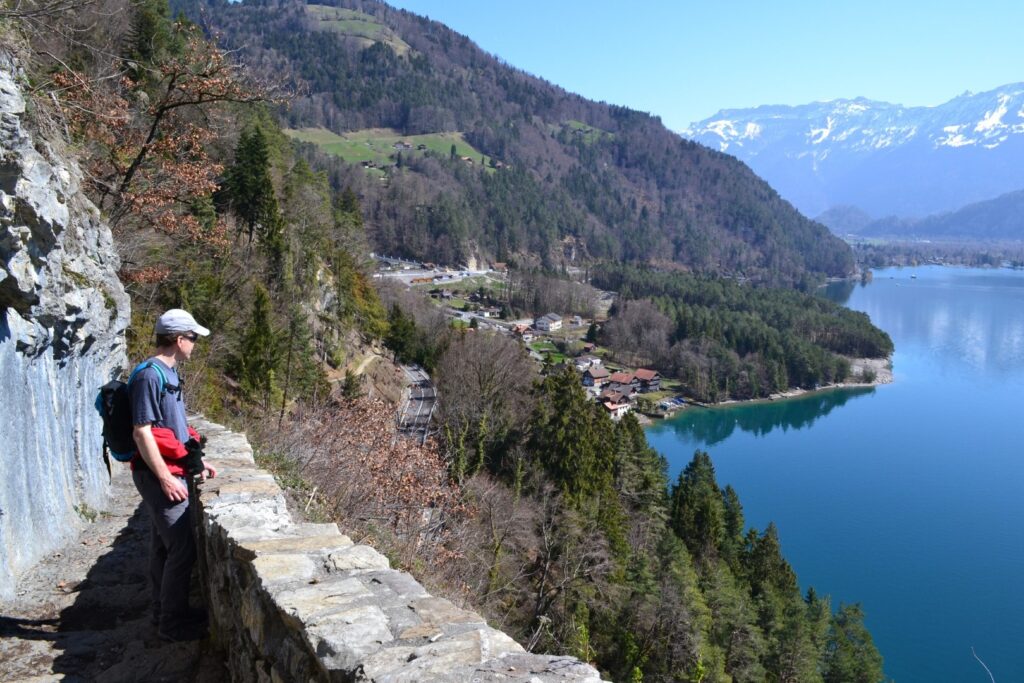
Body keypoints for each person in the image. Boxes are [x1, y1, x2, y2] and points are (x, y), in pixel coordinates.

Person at [129, 308, 216, 642]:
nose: (194, 344)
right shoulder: (150, 376)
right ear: (179, 340)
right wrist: (165, 477)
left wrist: (196, 462)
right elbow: (142, 432)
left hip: (171, 471)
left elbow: (175, 428)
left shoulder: (169, 374)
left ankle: (162, 611)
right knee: (183, 547)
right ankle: (171, 623)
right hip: (157, 475)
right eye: (192, 338)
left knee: (163, 548)